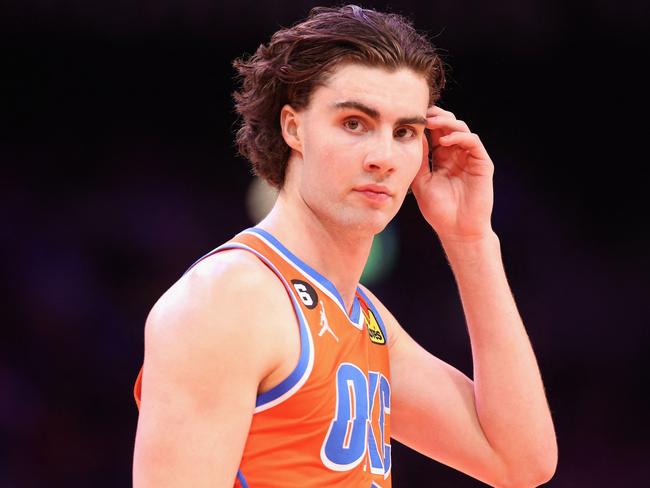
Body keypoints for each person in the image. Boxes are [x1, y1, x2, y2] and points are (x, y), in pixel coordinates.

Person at [132, 5, 557, 487]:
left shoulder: (360, 315)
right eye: (355, 123)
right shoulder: (232, 299)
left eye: (404, 132)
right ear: (294, 127)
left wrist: (471, 238)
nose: (383, 158)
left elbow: (520, 461)